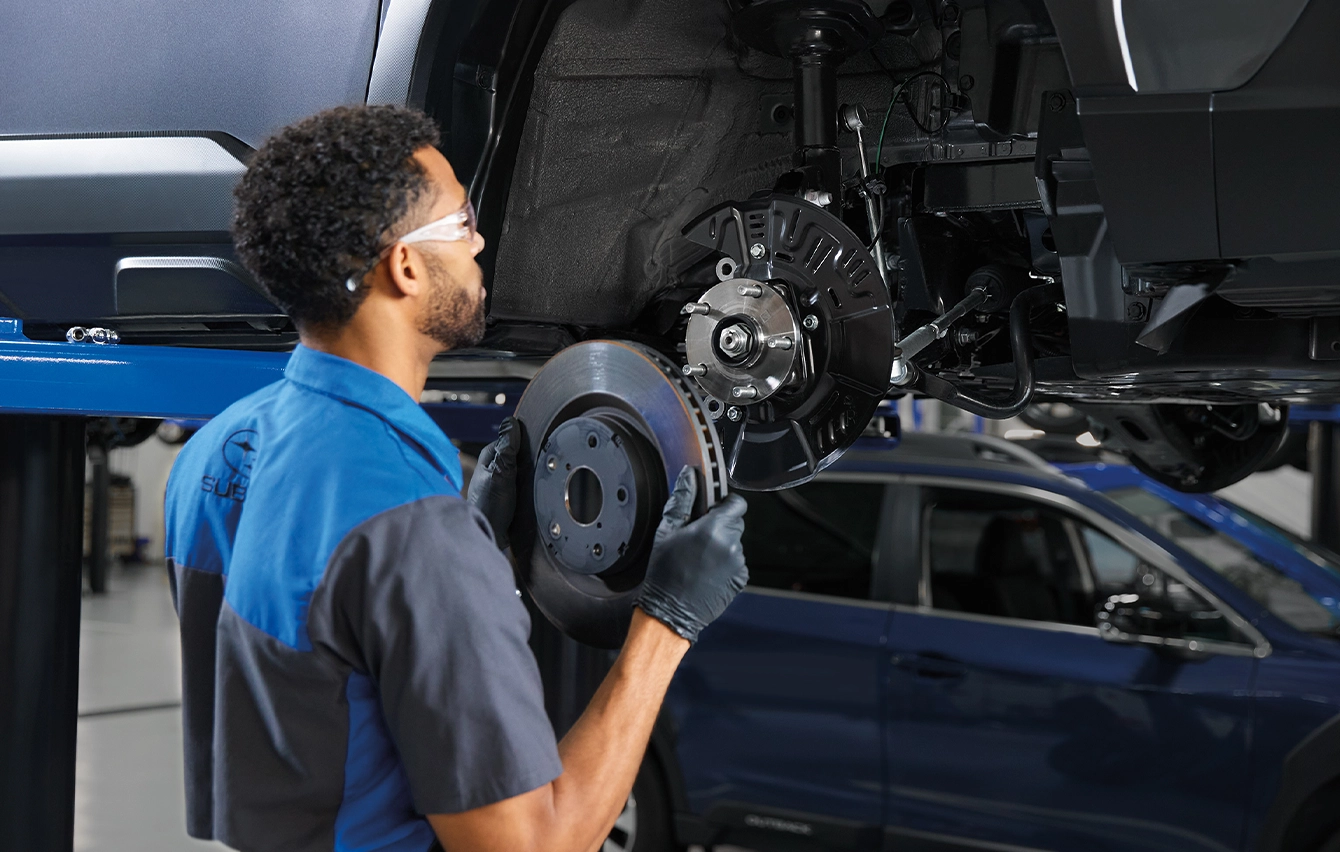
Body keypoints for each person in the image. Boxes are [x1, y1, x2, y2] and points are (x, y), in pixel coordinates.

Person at [163, 104, 748, 852]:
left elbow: (317, 696)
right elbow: (532, 845)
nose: (480, 242)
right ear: (403, 266)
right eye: (463, 220)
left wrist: (476, 564)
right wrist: (667, 625)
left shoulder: (212, 454)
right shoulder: (410, 526)